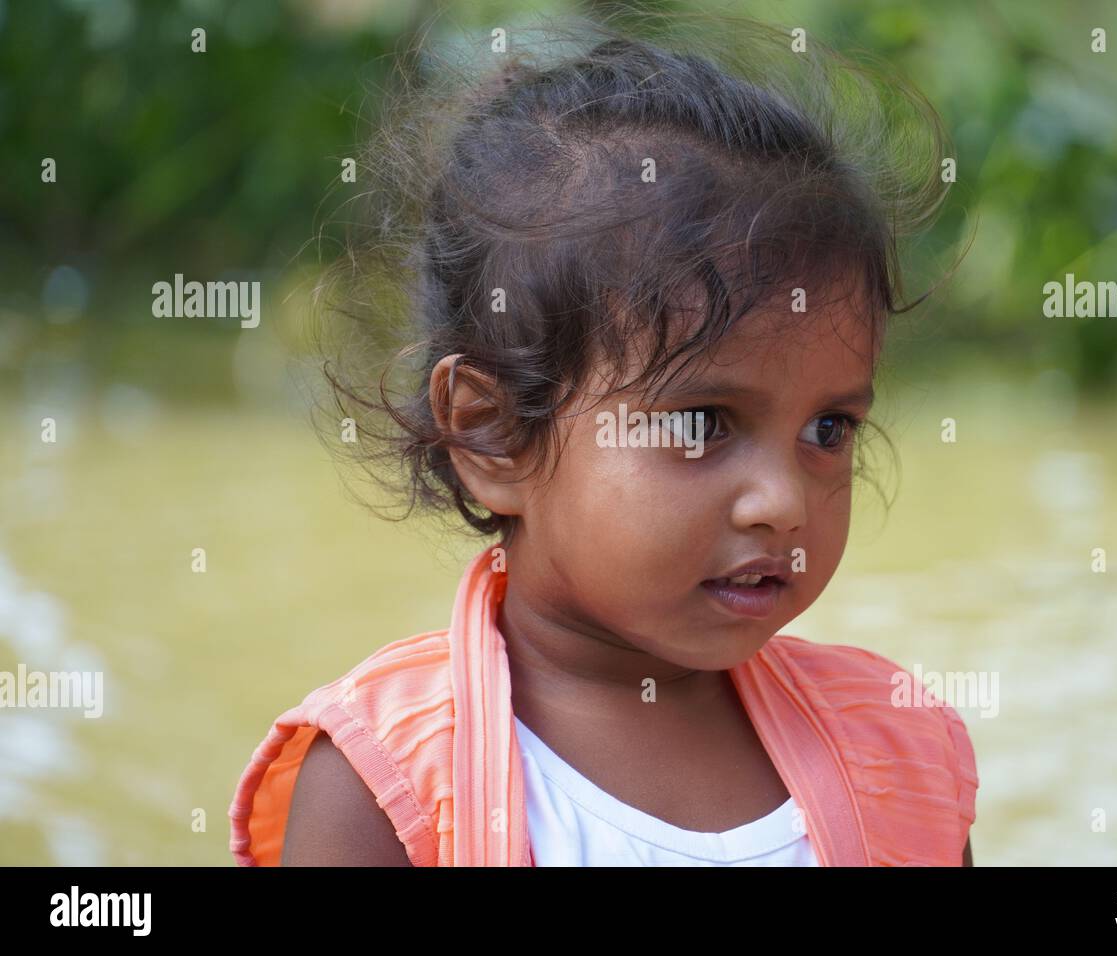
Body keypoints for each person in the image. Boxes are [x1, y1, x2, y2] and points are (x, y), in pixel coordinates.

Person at [229, 11, 977, 867]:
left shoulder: (895, 749)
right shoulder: (382, 788)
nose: (784, 502)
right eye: (702, 423)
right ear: (493, 433)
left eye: (828, 428)